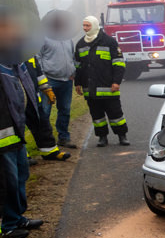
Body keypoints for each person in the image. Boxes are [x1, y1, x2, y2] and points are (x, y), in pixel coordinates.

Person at [0, 6, 40, 238]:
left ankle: (15, 219)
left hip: (15, 132)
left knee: (19, 176)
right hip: (3, 136)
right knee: (8, 181)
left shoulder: (14, 60)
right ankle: (11, 224)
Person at [75, 16, 129, 147]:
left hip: (108, 87)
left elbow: (119, 64)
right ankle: (102, 137)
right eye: (84, 26)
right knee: (97, 115)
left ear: (94, 25)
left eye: (87, 26)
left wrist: (116, 82)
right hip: (90, 89)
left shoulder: (109, 42)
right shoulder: (80, 44)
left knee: (116, 114)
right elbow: (78, 66)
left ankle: (122, 136)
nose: (85, 28)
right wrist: (77, 83)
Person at [38, 10, 77, 148]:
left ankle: (63, 137)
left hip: (66, 80)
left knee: (65, 110)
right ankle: (44, 140)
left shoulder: (68, 38)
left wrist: (73, 72)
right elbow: (38, 58)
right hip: (49, 81)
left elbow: (72, 57)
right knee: (45, 111)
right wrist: (42, 78)